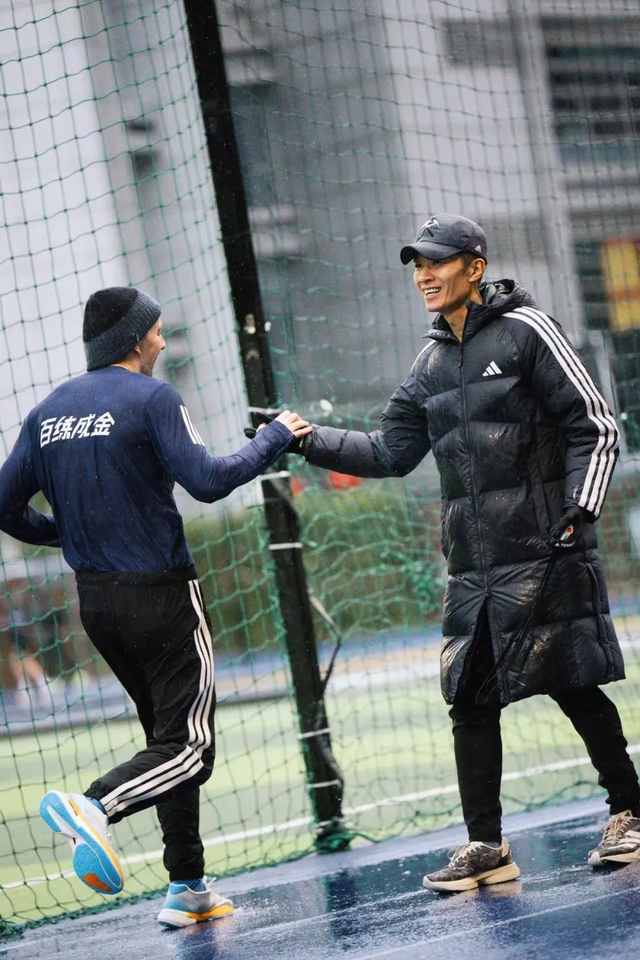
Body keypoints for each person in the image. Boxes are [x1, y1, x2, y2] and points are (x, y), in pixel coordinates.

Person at [295, 213, 640, 892]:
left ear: (474, 268)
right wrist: (306, 439)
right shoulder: (428, 363)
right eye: (417, 266)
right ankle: (486, 845)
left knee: (573, 682)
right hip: (475, 573)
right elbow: (389, 452)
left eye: (437, 262)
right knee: (470, 701)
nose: (424, 276)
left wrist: (579, 511)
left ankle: (630, 813)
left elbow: (595, 427)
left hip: (547, 552)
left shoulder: (528, 331)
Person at [0, 286, 311, 926]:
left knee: (165, 740)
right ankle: (94, 806)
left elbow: (4, 507)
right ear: (136, 339)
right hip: (163, 598)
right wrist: (275, 437)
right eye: (159, 331)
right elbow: (208, 480)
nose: (164, 342)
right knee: (191, 749)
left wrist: (63, 533)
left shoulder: (47, 412)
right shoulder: (153, 398)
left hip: (96, 605)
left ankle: (187, 887)